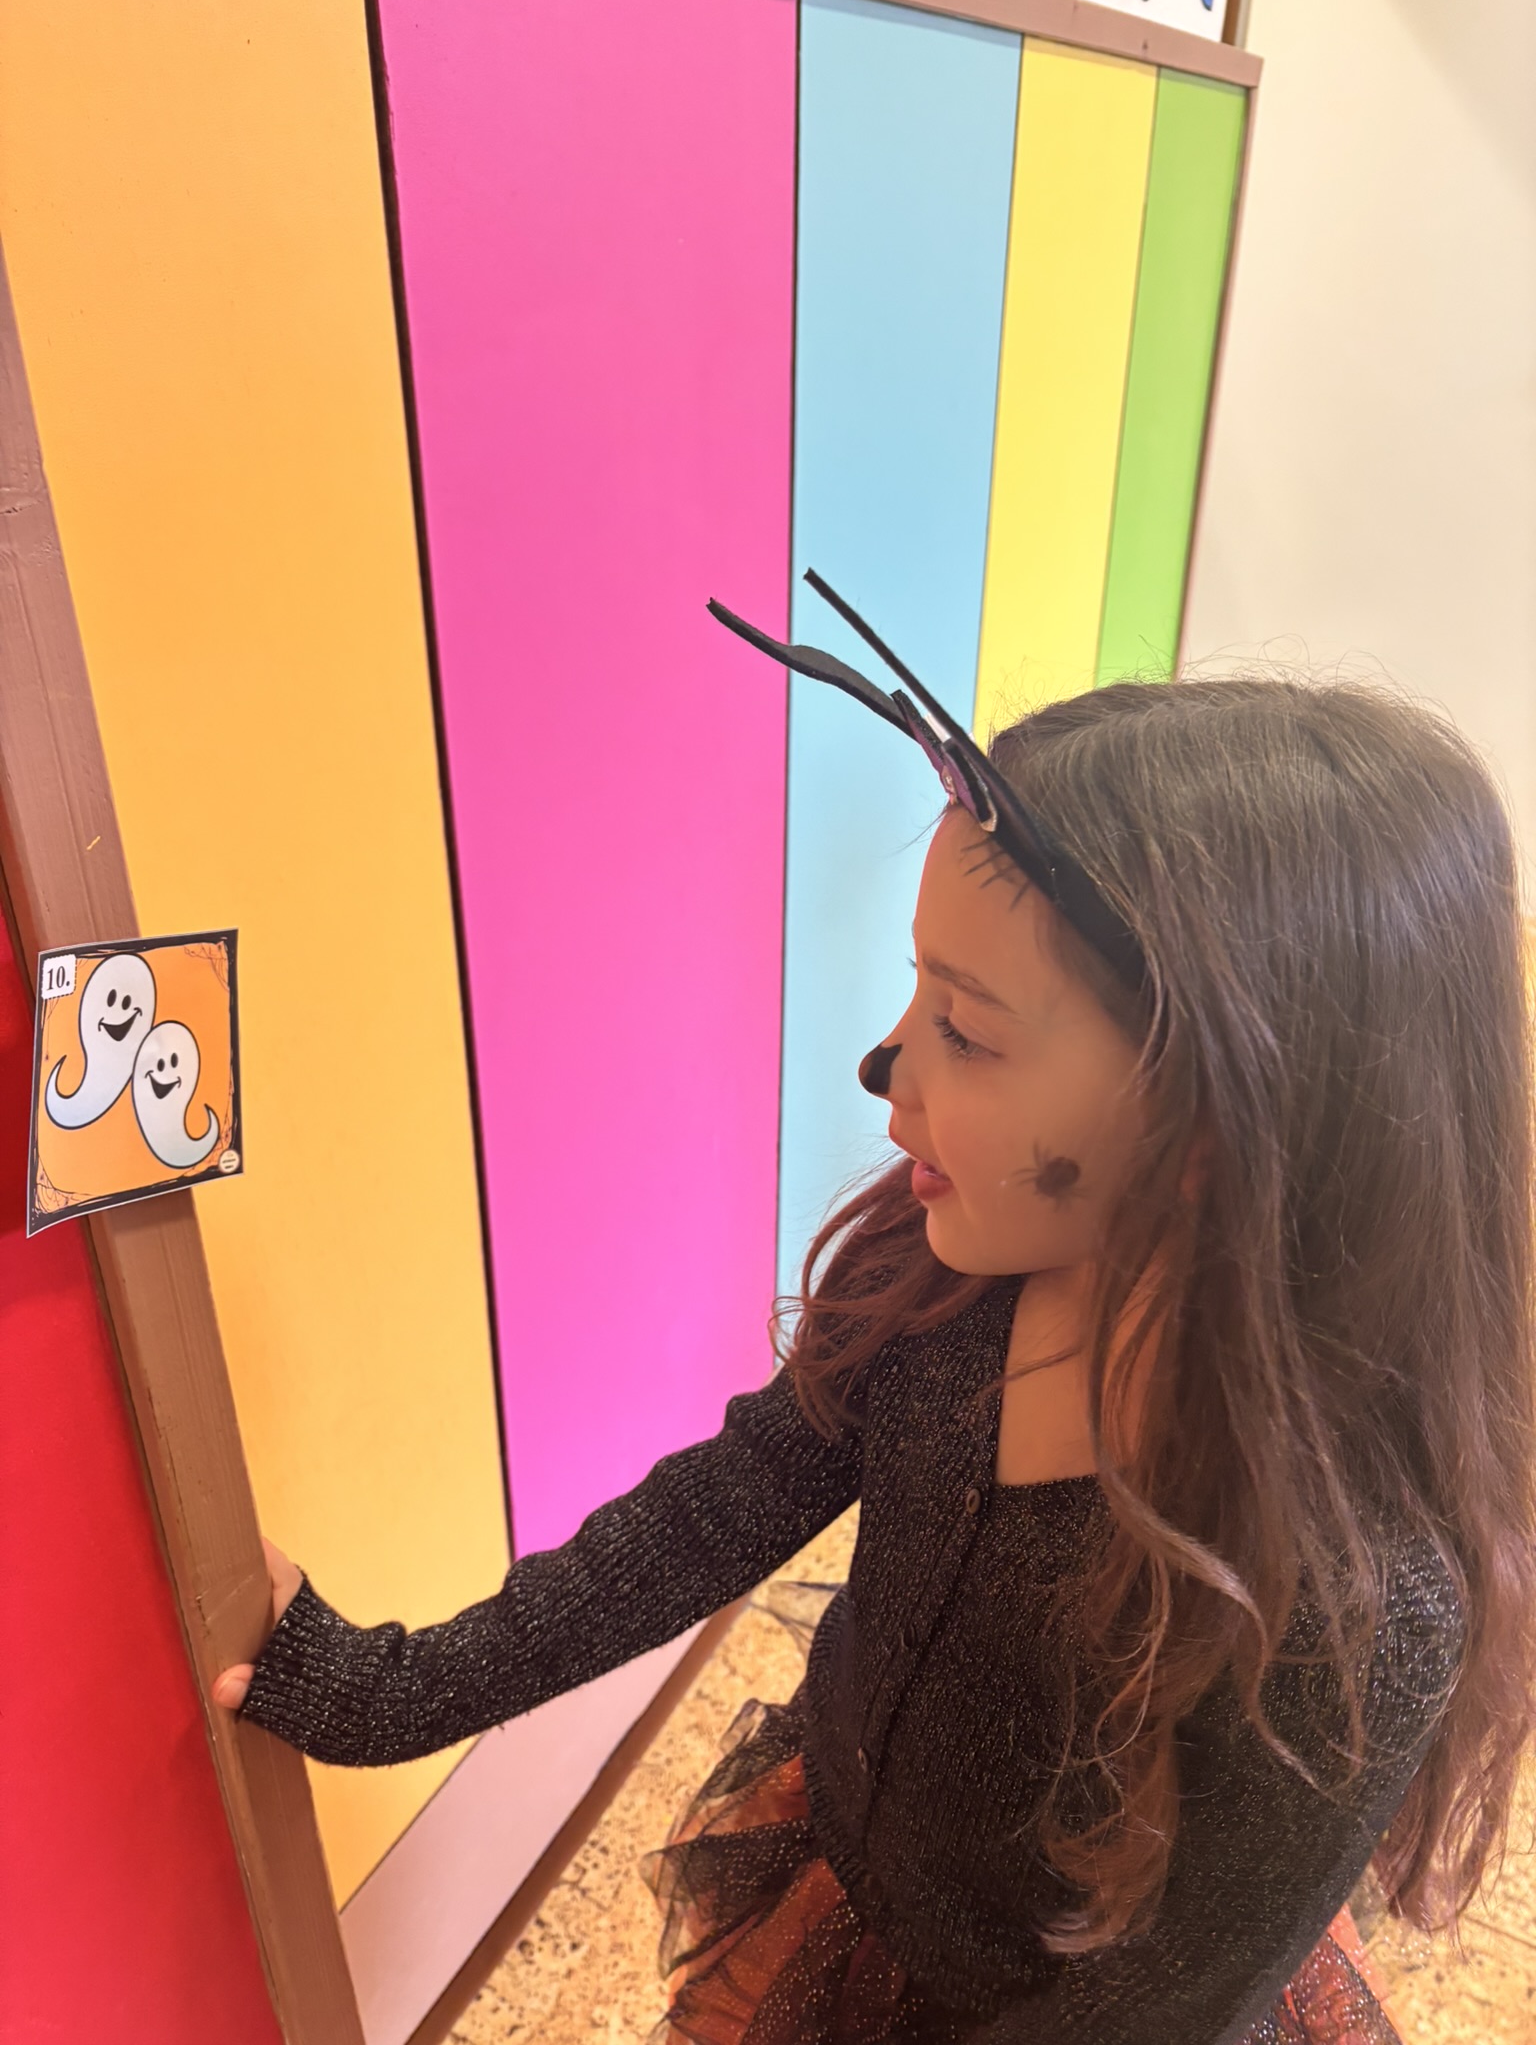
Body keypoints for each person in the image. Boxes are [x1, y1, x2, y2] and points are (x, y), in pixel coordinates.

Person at [214, 662, 1536, 2045]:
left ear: (1216, 1128)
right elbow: (710, 1515)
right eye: (919, 993)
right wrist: (392, 1693)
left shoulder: (1356, 1603)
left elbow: (1155, 2013)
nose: (886, 1069)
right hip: (854, 1892)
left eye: (966, 1030)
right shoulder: (939, 1274)